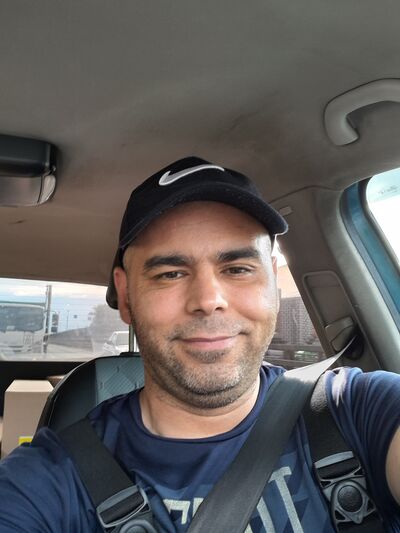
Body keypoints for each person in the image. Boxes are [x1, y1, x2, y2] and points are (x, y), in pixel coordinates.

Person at [0, 156, 399, 532]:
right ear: (125, 295)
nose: (209, 300)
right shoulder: (49, 478)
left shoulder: (358, 410)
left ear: (273, 282)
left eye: (238, 269)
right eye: (170, 274)